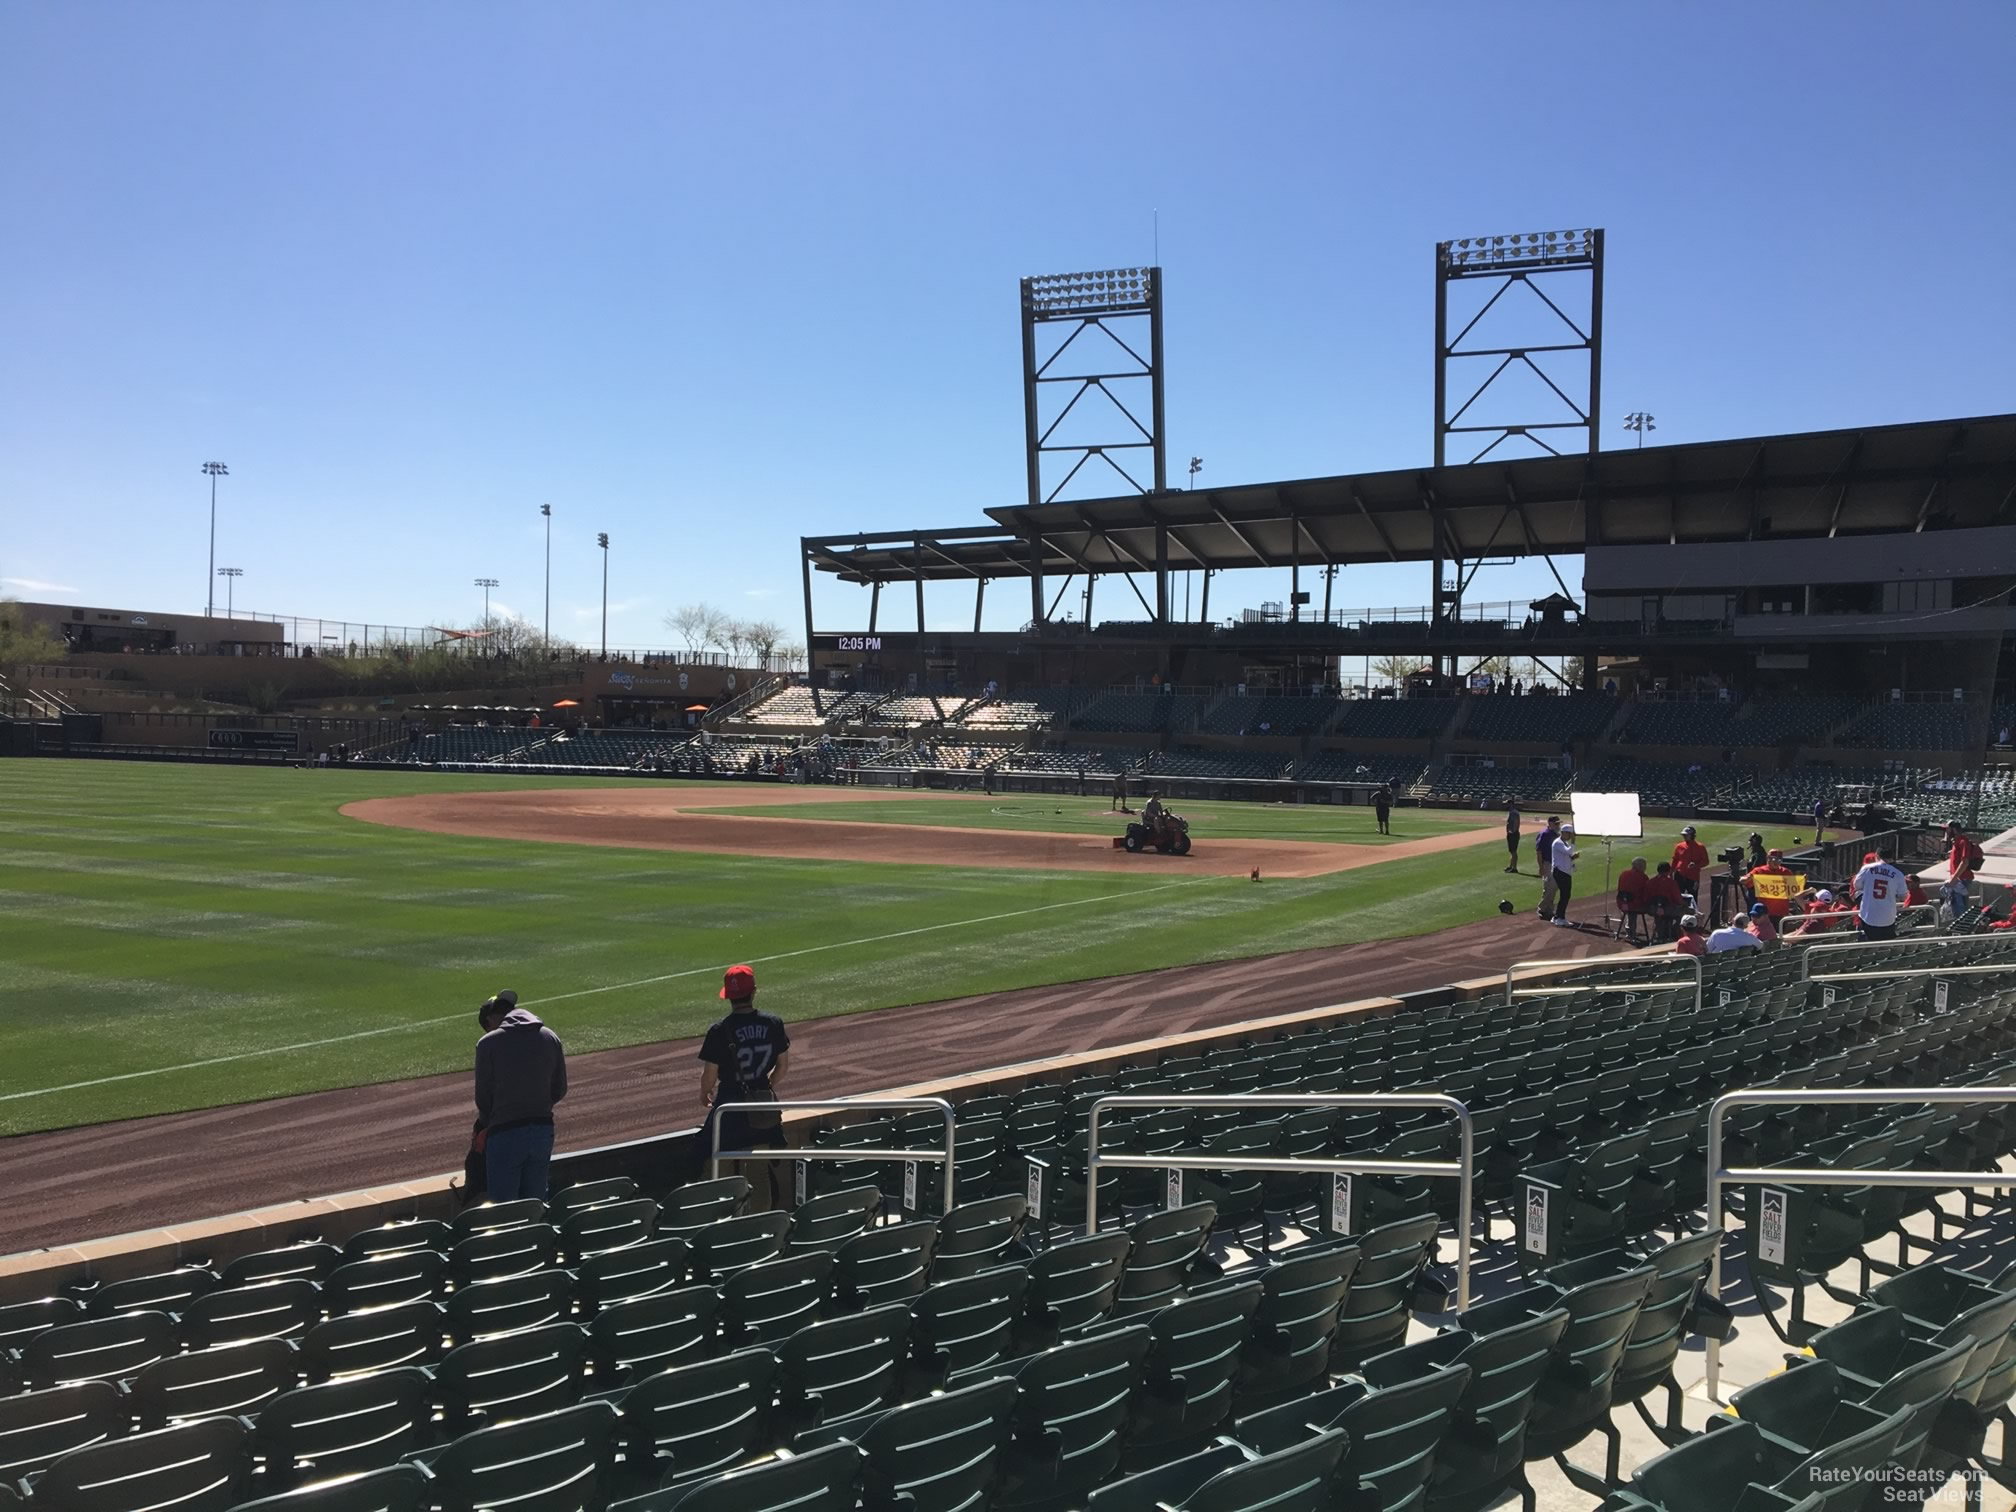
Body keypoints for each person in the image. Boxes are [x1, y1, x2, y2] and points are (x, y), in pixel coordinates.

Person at [698, 964, 792, 1210]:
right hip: (761, 1105)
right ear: (754, 992)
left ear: (728, 997)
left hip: (730, 1106)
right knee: (759, 1173)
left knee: (719, 1167)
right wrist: (765, 1085)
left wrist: (704, 1092)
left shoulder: (719, 1030)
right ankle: (760, 1227)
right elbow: (783, 1066)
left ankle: (727, 1223)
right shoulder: (773, 1023)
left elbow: (710, 1075)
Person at [474, 995, 568, 1202]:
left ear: (489, 1021)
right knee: (535, 1204)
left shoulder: (488, 1043)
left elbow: (483, 1097)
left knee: (506, 1209)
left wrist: (488, 1122)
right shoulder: (550, 1036)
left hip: (505, 1133)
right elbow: (560, 1088)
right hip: (543, 1130)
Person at [1851, 846, 1910, 941]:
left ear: (1877, 855)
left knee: (1870, 946)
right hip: (1888, 917)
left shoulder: (1867, 868)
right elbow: (1903, 896)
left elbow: (1857, 885)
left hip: (1868, 915)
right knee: (1885, 947)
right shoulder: (1898, 874)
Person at [1745, 847, 1797, 922]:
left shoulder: (1786, 872)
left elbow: (1794, 890)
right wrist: (1748, 878)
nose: (1776, 862)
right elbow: (1746, 882)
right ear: (1768, 859)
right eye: (1774, 859)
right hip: (1764, 913)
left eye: (1779, 860)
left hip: (1781, 912)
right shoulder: (1759, 871)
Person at [1644, 861, 1685, 941]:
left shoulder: (1650, 882)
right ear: (1669, 871)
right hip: (1667, 909)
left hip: (1652, 909)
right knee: (1687, 912)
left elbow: (1646, 898)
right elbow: (1678, 900)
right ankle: (1674, 932)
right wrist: (1683, 904)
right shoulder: (1671, 882)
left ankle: (1662, 933)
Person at [1615, 856, 1651, 941]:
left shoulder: (1623, 874)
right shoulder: (1643, 877)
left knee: (1631, 905)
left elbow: (1620, 889)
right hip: (1635, 905)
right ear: (1640, 866)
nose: (1645, 868)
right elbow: (1645, 894)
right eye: (1644, 866)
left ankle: (1629, 931)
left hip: (1621, 903)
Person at [1549, 823, 1579, 926]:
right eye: (1569, 834)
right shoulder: (1558, 843)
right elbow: (1569, 851)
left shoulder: (1564, 843)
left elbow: (1567, 855)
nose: (1570, 836)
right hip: (1560, 872)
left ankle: (1559, 916)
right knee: (1565, 895)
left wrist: (1573, 857)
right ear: (1563, 833)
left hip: (1565, 871)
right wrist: (1573, 842)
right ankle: (1559, 917)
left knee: (1565, 895)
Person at [1670, 825, 1709, 902]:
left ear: (1692, 835)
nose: (1684, 837)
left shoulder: (1700, 847)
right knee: (1678, 896)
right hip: (1680, 875)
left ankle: (1693, 913)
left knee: (1693, 896)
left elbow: (1706, 861)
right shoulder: (1679, 846)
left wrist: (1696, 865)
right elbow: (1675, 860)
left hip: (1693, 876)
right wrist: (1670, 872)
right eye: (1684, 835)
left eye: (1686, 835)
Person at [1535, 815, 1562, 918]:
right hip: (1548, 863)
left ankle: (1549, 910)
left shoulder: (1555, 834)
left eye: (1558, 823)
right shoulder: (1545, 834)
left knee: (1554, 887)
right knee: (1550, 887)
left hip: (1555, 864)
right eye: (1556, 823)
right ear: (1550, 823)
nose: (1558, 825)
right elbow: (1539, 852)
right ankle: (1542, 909)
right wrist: (1541, 867)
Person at [1504, 802, 1522, 874]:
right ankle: (1511, 866)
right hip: (1511, 833)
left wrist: (1513, 831)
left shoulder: (1514, 812)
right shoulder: (1512, 812)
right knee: (1511, 851)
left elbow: (1516, 822)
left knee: (1513, 851)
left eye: (1507, 804)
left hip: (1513, 834)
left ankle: (1514, 868)